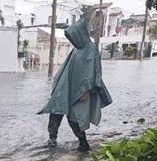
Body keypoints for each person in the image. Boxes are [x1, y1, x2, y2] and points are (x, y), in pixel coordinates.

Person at [39, 18, 112, 152]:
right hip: (66, 87)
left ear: (79, 34)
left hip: (81, 90)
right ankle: (52, 139)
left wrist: (87, 90)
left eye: (72, 37)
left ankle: (83, 144)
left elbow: (94, 71)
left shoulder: (90, 48)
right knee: (56, 110)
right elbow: (68, 68)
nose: (71, 40)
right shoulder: (77, 49)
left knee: (75, 116)